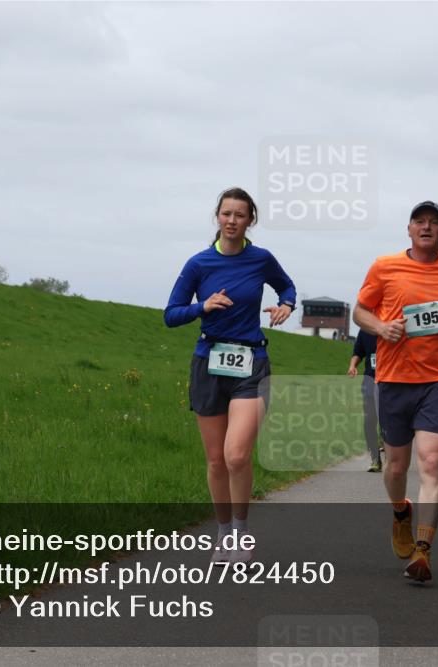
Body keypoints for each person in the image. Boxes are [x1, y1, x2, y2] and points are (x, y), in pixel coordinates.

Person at [164, 187, 297, 565]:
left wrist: (287, 304)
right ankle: (222, 533)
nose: (233, 220)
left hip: (251, 363)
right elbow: (170, 314)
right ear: (217, 217)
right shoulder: (199, 264)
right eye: (226, 214)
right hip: (209, 362)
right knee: (216, 461)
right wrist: (202, 306)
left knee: (236, 455)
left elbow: (286, 285)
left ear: (250, 220)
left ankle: (241, 532)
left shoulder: (261, 259)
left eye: (240, 214)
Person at [353, 200, 438, 583]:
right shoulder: (385, 267)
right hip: (393, 379)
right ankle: (400, 510)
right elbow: (359, 311)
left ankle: (423, 551)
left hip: (437, 380)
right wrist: (380, 327)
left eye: (434, 223)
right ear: (409, 229)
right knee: (396, 467)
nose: (426, 227)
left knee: (432, 461)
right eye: (419, 221)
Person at [348, 329, 382, 472]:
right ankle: (375, 459)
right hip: (369, 381)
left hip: (391, 382)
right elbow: (358, 352)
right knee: (369, 422)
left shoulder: (393, 324)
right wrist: (352, 365)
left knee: (390, 421)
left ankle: (393, 454)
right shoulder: (365, 331)